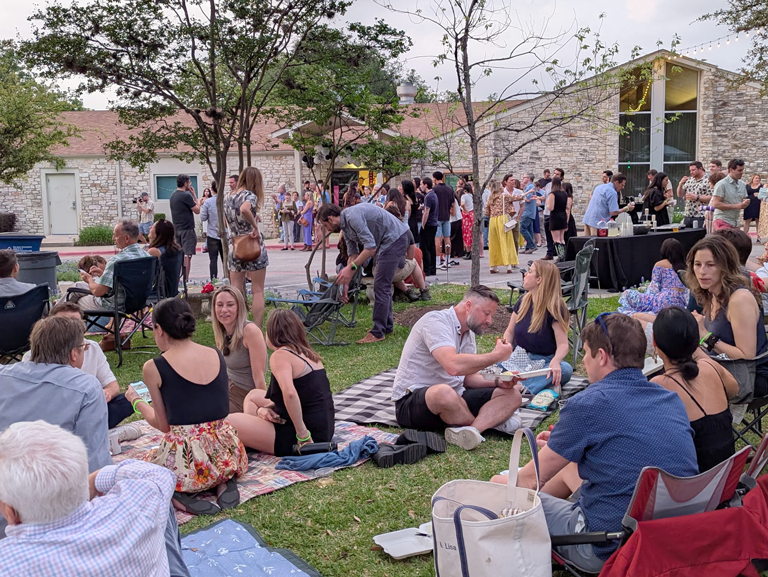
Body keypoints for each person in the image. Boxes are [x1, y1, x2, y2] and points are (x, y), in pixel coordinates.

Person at [493, 313, 698, 573]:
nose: (584, 363)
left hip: (606, 546)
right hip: (668, 539)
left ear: (601, 356)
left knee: (498, 490)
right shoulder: (670, 399)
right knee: (567, 467)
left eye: (587, 354)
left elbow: (526, 481)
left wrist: (501, 484)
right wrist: (563, 446)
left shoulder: (588, 404)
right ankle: (548, 506)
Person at [0, 421, 188, 577]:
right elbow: (159, 475)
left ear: (9, 511)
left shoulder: (8, 564)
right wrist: (96, 480)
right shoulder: (137, 505)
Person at [125, 298, 248, 516]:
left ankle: (179, 493)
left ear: (160, 330)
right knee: (211, 459)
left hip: (188, 458)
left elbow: (163, 425)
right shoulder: (215, 353)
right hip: (226, 447)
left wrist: (136, 401)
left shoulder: (154, 367)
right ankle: (222, 479)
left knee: (147, 468)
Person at [0, 315, 113, 539]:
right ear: (74, 354)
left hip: (8, 493)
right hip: (55, 512)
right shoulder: (86, 387)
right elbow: (95, 464)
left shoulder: (3, 376)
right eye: (84, 347)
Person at [392, 285, 522, 450]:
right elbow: (452, 366)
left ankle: (472, 430)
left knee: (513, 395)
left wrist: (500, 381)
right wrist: (496, 356)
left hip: (456, 399)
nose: (490, 321)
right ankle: (490, 422)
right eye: (487, 314)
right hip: (413, 402)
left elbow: (467, 377)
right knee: (444, 392)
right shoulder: (435, 321)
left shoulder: (468, 331)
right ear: (468, 306)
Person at [224, 309, 335, 457]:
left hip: (305, 437)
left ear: (271, 334)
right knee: (253, 395)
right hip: (323, 430)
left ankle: (254, 438)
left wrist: (303, 436)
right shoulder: (308, 354)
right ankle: (255, 434)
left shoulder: (280, 356)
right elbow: (306, 396)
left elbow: (290, 394)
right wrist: (261, 410)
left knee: (229, 420)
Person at [21, 302, 136, 432]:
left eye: (76, 324)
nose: (71, 329)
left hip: (88, 409)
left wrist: (106, 394)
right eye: (64, 323)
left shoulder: (91, 347)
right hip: (55, 416)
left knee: (135, 395)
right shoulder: (36, 354)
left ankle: (92, 428)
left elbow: (112, 385)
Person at [650, 307, 738, 472]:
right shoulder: (710, 366)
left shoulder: (660, 385)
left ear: (654, 341)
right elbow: (734, 389)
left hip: (693, 485)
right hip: (725, 479)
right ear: (696, 339)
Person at [687, 235, 768, 398]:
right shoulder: (711, 294)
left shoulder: (739, 299)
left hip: (749, 378)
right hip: (723, 368)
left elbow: (746, 355)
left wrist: (705, 337)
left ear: (725, 267)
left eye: (710, 265)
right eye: (698, 264)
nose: (702, 272)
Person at [317, 202, 410, 344]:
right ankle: (386, 326)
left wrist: (350, 268)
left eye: (325, 225)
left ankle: (378, 332)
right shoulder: (346, 226)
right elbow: (353, 255)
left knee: (381, 285)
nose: (327, 229)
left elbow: (370, 247)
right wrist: (346, 282)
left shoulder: (353, 217)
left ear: (330, 218)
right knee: (382, 284)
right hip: (387, 242)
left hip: (395, 239)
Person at [502, 260, 573, 394]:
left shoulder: (555, 307)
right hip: (519, 358)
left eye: (529, 272)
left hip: (543, 362)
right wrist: (503, 349)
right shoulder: (523, 301)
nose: (525, 275)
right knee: (492, 366)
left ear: (539, 279)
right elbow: (509, 332)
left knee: (565, 370)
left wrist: (556, 361)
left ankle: (521, 387)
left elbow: (563, 344)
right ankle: (531, 385)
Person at [70, 219, 151, 310]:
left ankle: (57, 318)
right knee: (78, 286)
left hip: (115, 305)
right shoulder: (148, 256)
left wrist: (89, 279)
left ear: (127, 238)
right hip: (138, 302)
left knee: (75, 301)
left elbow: (98, 291)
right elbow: (129, 281)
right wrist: (104, 274)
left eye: (115, 235)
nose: (113, 238)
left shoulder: (117, 260)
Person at [224, 166, 270, 327]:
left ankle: (236, 327)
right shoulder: (250, 195)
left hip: (235, 246)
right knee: (257, 290)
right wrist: (255, 226)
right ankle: (256, 328)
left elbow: (226, 221)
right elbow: (244, 209)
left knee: (236, 290)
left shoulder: (228, 196)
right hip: (253, 245)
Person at [211, 285, 267, 412]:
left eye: (230, 305)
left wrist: (263, 407)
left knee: (207, 413)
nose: (224, 310)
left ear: (239, 308)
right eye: (219, 305)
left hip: (245, 395)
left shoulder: (250, 331)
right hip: (227, 387)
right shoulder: (222, 331)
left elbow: (259, 376)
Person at [618, 238, 688, 316]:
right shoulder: (686, 267)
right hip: (682, 301)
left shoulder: (660, 264)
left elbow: (654, 288)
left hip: (664, 299)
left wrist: (646, 297)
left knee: (628, 293)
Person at [169, 174, 200, 280]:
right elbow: (197, 210)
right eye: (189, 183)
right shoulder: (186, 196)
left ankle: (177, 279)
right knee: (187, 254)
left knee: (178, 255)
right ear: (185, 183)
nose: (190, 185)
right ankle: (185, 280)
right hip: (187, 229)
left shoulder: (173, 196)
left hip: (176, 228)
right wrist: (194, 195)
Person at [485, 179, 518, 273]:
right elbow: (516, 198)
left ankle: (493, 266)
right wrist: (527, 193)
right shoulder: (504, 196)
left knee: (494, 242)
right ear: (499, 187)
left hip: (493, 220)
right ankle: (508, 265)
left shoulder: (490, 197)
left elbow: (487, 211)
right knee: (505, 241)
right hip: (502, 219)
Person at [712, 159, 749, 230]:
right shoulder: (721, 184)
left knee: (737, 241)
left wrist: (745, 203)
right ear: (731, 170)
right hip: (722, 220)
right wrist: (735, 206)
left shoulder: (742, 184)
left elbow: (742, 200)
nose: (742, 172)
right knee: (727, 241)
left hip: (735, 222)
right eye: (739, 170)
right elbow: (716, 204)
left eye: (742, 170)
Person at [200, 180, 223, 278]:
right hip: (224, 234)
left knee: (213, 260)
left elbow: (203, 217)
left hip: (212, 234)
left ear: (212, 189)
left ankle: (214, 279)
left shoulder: (208, 202)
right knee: (225, 259)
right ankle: (229, 278)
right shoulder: (225, 200)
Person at [677, 161, 711, 229]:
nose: (691, 172)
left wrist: (697, 197)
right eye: (690, 170)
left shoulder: (708, 180)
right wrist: (680, 184)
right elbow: (680, 195)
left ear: (700, 169)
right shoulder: (690, 180)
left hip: (701, 215)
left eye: (693, 170)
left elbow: (712, 197)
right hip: (688, 214)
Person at [432, 171, 455, 269]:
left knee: (437, 239)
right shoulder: (449, 189)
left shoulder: (434, 189)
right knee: (447, 238)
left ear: (434, 178)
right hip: (446, 216)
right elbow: (453, 204)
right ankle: (447, 260)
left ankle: (437, 261)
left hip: (436, 217)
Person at [547, 177, 570, 260]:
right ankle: (564, 255)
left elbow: (551, 208)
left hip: (555, 217)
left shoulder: (552, 194)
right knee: (562, 238)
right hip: (563, 216)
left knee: (556, 239)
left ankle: (561, 256)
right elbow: (567, 206)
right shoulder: (564, 193)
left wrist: (547, 203)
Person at [420, 177, 438, 276]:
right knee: (431, 247)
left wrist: (423, 224)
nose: (421, 186)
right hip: (434, 223)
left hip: (429, 224)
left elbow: (426, 212)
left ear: (426, 185)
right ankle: (432, 268)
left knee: (425, 247)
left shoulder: (428, 196)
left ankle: (427, 269)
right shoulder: (434, 195)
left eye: (422, 184)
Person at [519, 173, 538, 254]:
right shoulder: (529, 187)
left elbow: (528, 199)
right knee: (529, 229)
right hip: (530, 211)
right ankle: (528, 248)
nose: (523, 178)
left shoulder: (530, 187)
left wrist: (523, 197)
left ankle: (532, 246)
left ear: (529, 178)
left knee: (522, 228)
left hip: (528, 211)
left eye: (524, 177)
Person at [745, 173, 762, 242]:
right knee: (747, 220)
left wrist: (759, 195)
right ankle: (745, 236)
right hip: (749, 205)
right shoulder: (747, 186)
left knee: (758, 221)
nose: (757, 179)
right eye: (756, 178)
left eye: (758, 178)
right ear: (752, 179)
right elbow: (744, 194)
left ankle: (759, 237)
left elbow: (765, 194)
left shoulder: (761, 186)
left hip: (758, 205)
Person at [460, 184, 475, 258]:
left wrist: (465, 209)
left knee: (466, 233)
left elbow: (462, 204)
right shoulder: (473, 196)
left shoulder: (464, 196)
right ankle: (472, 250)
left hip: (466, 215)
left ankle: (468, 251)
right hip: (472, 214)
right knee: (471, 232)